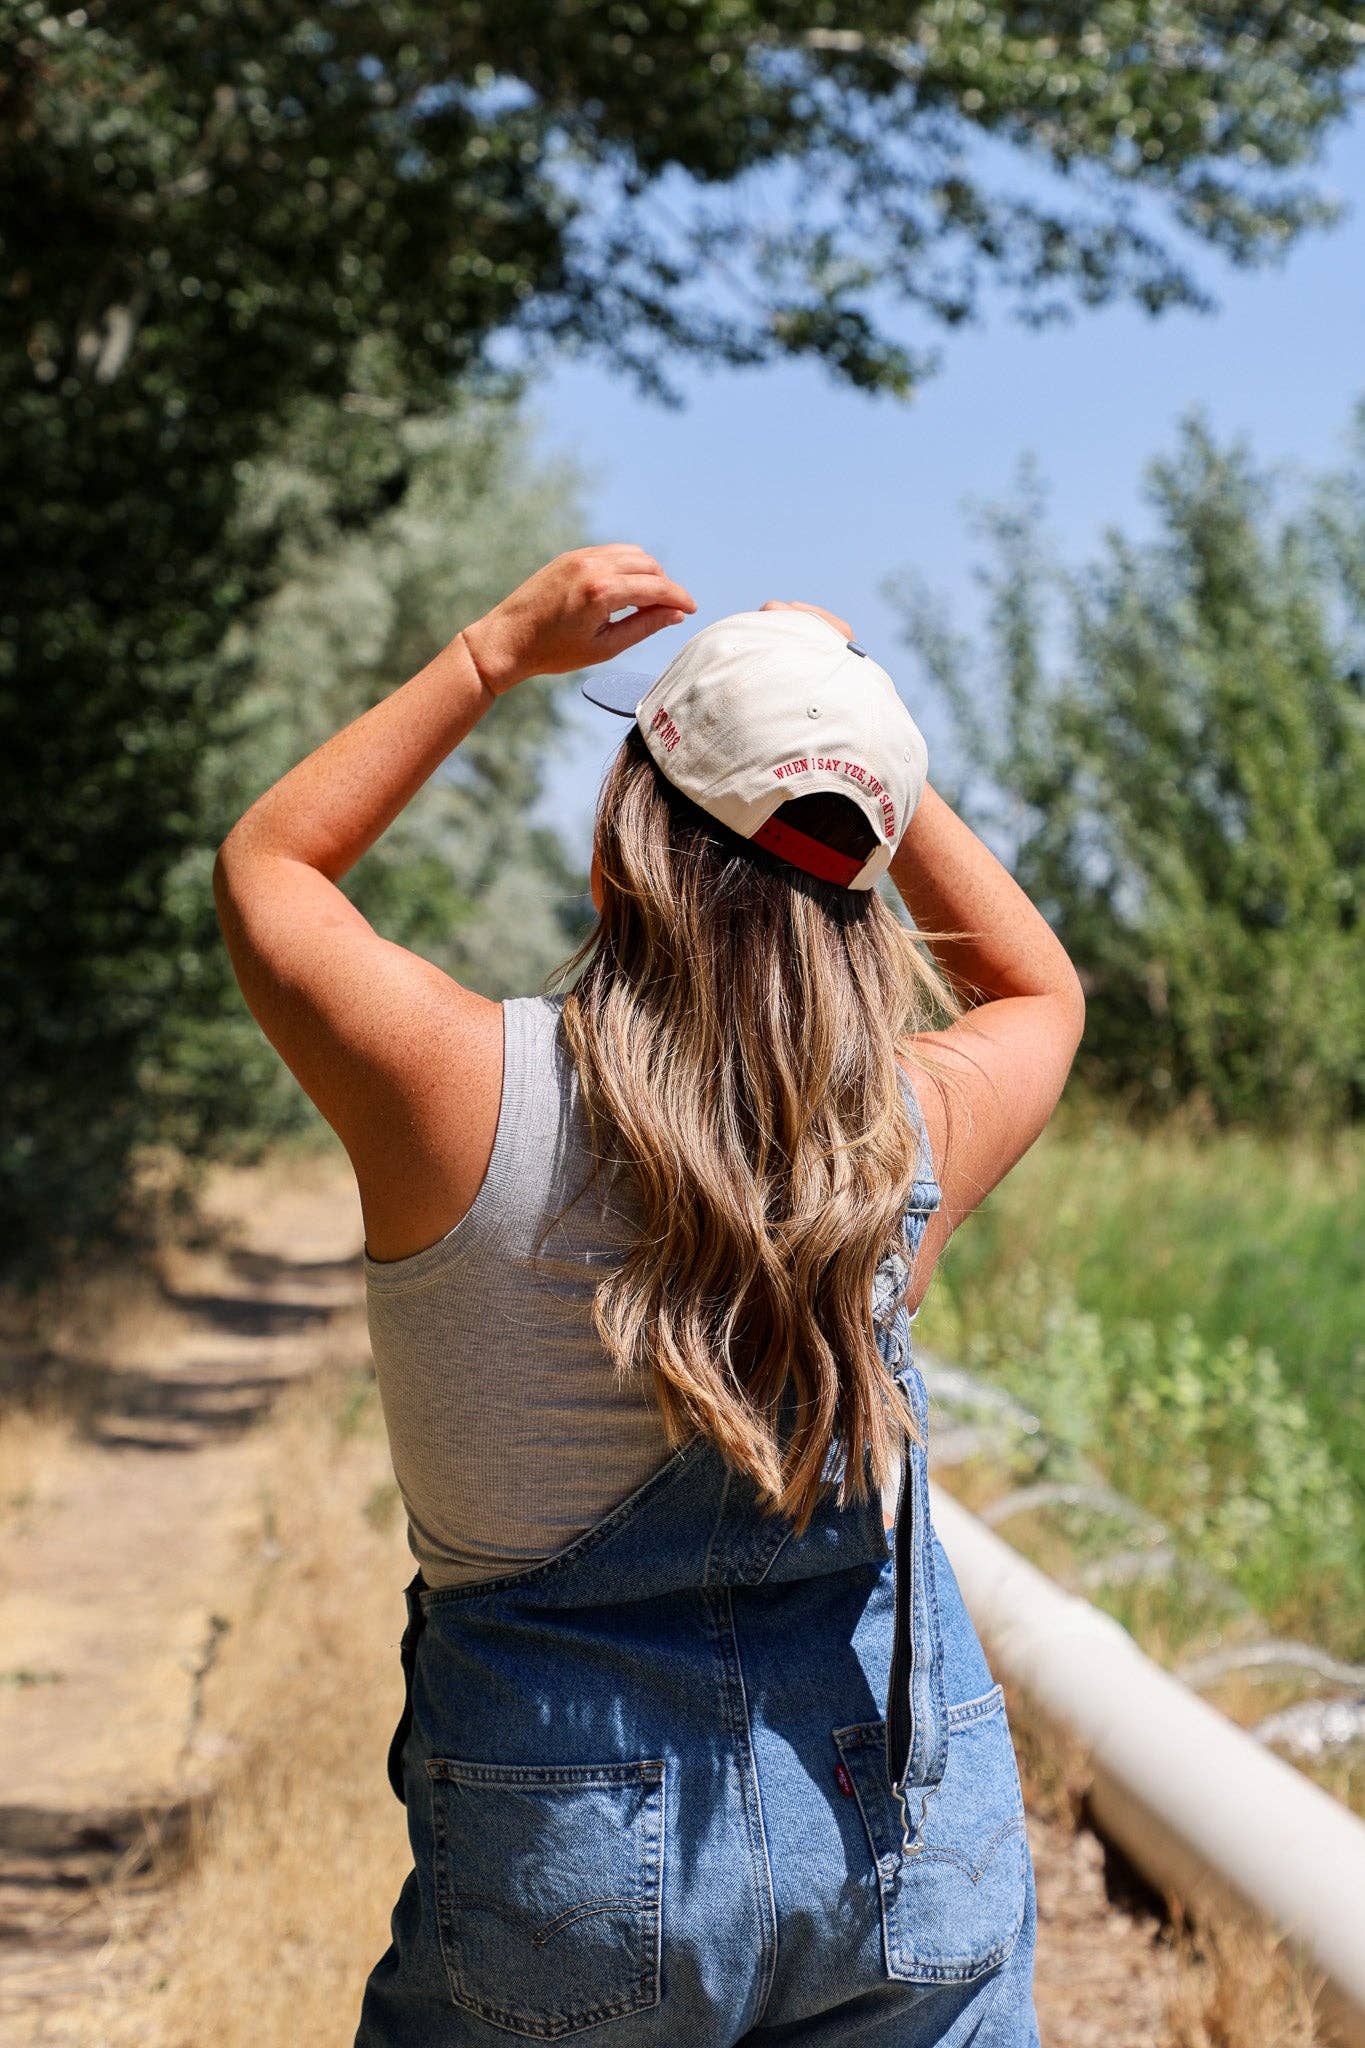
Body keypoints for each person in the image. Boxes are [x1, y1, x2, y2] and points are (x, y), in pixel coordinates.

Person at [214, 545, 1084, 2047]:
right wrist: (847, 719)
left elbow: (268, 869)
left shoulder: (458, 1094)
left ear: (624, 847)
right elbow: (1038, 989)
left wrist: (492, 652)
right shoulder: (892, 1141)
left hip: (568, 1848)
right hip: (891, 1815)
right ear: (863, 889)